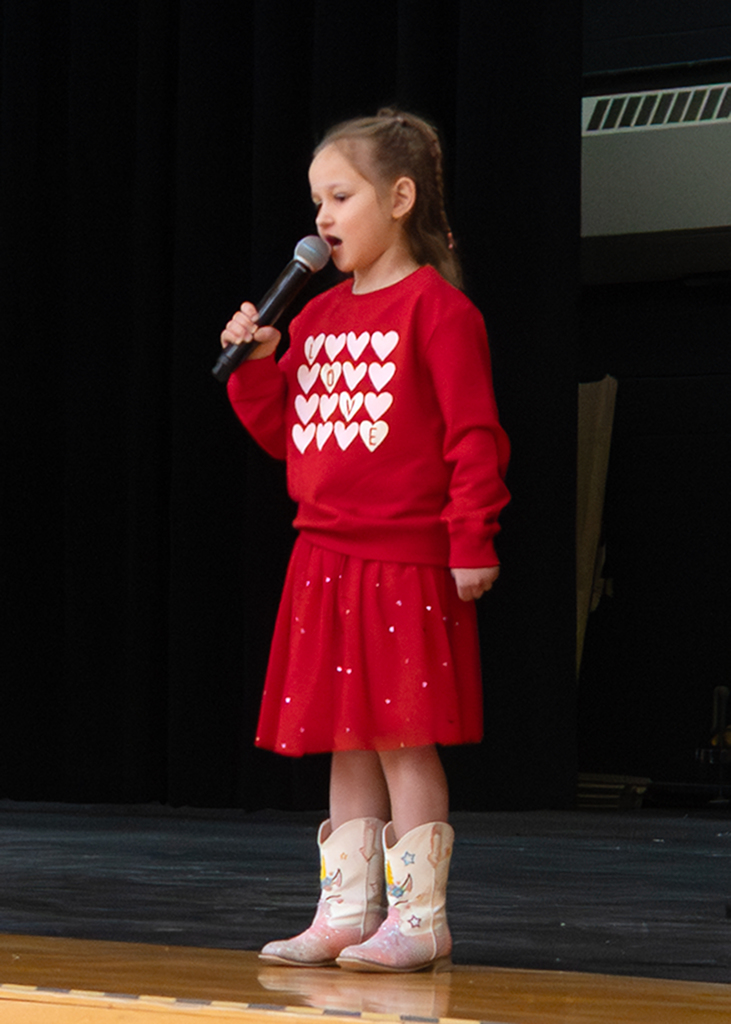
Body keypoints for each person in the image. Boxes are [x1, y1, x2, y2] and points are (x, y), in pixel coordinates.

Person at [220, 108, 510, 973]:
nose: (323, 217)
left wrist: (471, 536)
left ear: (400, 197)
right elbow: (293, 440)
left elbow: (473, 437)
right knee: (346, 737)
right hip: (323, 557)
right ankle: (346, 910)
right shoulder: (312, 319)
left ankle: (420, 918)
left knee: (401, 736)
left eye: (340, 197)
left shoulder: (439, 312)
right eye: (317, 201)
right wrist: (256, 368)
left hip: (402, 559)